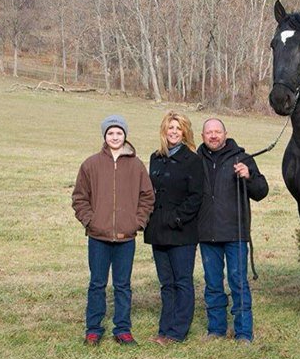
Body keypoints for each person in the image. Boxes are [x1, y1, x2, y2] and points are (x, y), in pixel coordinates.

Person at [71, 115, 154, 346]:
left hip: (126, 237)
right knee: (97, 283)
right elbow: (79, 197)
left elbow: (147, 196)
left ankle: (122, 329)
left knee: (123, 285)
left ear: (125, 135)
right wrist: (90, 221)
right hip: (98, 236)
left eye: (119, 133)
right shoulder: (91, 164)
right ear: (105, 137)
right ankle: (93, 329)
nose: (115, 137)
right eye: (110, 133)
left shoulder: (136, 165)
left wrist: (137, 222)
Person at [197, 118, 269, 343]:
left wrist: (248, 176)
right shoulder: (195, 160)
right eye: (209, 132)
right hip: (207, 233)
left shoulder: (242, 158)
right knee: (212, 284)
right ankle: (216, 329)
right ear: (203, 136)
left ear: (225, 134)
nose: (213, 136)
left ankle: (243, 333)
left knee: (238, 282)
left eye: (217, 131)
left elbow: (261, 191)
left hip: (235, 233)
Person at [144, 111, 203, 345]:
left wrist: (178, 218)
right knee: (166, 282)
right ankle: (164, 327)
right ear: (164, 131)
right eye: (170, 128)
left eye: (178, 129)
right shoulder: (155, 158)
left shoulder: (193, 160)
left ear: (185, 132)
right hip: (158, 230)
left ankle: (178, 331)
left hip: (182, 231)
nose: (174, 132)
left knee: (182, 281)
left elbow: (196, 196)